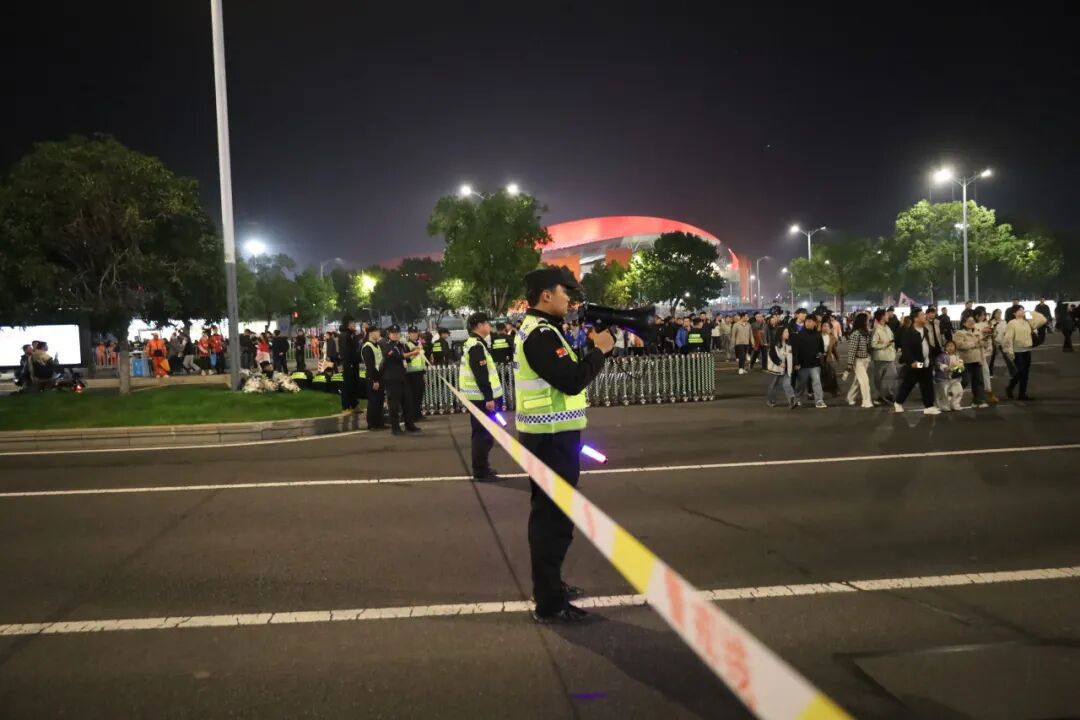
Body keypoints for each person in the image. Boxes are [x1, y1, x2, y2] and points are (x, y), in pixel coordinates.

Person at [515, 267, 612, 624]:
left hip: (552, 437)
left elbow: (564, 374)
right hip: (550, 439)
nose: (569, 299)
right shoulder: (540, 335)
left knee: (554, 518)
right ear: (546, 295)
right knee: (551, 522)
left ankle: (551, 586)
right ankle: (550, 603)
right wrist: (600, 352)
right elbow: (571, 381)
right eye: (564, 292)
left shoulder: (544, 330)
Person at [459, 312, 504, 477]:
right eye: (487, 323)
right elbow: (481, 374)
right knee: (483, 435)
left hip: (478, 397)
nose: (489, 326)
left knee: (482, 433)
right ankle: (481, 470)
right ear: (479, 326)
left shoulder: (474, 343)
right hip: (481, 398)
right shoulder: (476, 346)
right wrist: (489, 397)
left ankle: (481, 468)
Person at [893, 308, 941, 415]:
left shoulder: (925, 330)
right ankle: (898, 402)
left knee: (927, 384)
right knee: (909, 383)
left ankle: (929, 406)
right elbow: (906, 349)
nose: (925, 316)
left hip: (926, 362)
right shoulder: (908, 332)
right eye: (922, 315)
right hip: (916, 363)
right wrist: (912, 362)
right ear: (915, 318)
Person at [1002, 305, 1048, 401]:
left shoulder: (1027, 321)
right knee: (1021, 371)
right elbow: (1008, 338)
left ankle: (1022, 394)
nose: (1022, 311)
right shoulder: (1012, 323)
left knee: (1025, 373)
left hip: (1027, 350)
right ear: (1014, 313)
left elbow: (1043, 320)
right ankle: (1010, 387)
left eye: (1023, 309)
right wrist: (1010, 352)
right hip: (1017, 351)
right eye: (1019, 310)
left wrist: (1030, 312)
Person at [381, 325, 419, 435]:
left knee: (407, 401)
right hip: (392, 378)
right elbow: (398, 356)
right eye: (393, 333)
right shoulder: (388, 346)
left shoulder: (400, 345)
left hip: (402, 376)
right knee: (394, 404)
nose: (395, 335)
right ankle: (395, 427)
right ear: (389, 334)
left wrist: (415, 354)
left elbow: (406, 359)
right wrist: (413, 352)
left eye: (397, 333)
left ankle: (409, 424)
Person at [791, 315, 826, 408]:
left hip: (815, 363)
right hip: (802, 364)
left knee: (817, 382)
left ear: (815, 323)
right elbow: (795, 351)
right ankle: (796, 398)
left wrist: (820, 354)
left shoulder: (818, 335)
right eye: (806, 321)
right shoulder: (799, 335)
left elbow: (821, 349)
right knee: (801, 384)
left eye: (810, 321)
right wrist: (796, 363)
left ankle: (819, 401)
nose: (807, 323)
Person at [954, 314, 989, 408]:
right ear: (964, 323)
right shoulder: (959, 333)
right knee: (963, 381)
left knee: (978, 382)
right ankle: (952, 399)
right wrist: (975, 343)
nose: (972, 323)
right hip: (963, 361)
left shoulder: (978, 332)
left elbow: (984, 345)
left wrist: (986, 339)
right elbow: (960, 345)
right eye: (969, 321)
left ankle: (978, 401)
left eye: (973, 321)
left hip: (977, 360)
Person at [843, 313, 874, 408]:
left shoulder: (866, 332)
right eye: (867, 320)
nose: (868, 322)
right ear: (863, 321)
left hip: (866, 359)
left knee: (857, 381)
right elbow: (852, 350)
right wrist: (849, 365)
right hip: (858, 361)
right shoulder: (856, 334)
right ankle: (866, 402)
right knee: (865, 381)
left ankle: (850, 397)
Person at [870, 309, 897, 403]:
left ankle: (884, 395)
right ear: (882, 317)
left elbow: (891, 339)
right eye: (886, 315)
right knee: (881, 378)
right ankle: (883, 396)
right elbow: (873, 344)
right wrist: (885, 344)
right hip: (881, 357)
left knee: (887, 376)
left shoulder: (886, 327)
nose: (888, 316)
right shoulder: (877, 329)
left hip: (889, 356)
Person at [765, 326, 796, 408]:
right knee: (773, 385)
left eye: (788, 332)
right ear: (780, 334)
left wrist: (795, 364)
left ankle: (792, 400)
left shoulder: (790, 343)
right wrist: (779, 363)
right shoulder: (775, 344)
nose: (787, 334)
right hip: (777, 368)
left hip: (787, 368)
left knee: (787, 384)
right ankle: (771, 400)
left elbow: (793, 355)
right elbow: (772, 355)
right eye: (785, 332)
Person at [362, 325, 386, 428]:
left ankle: (379, 422)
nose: (379, 333)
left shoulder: (377, 346)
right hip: (372, 377)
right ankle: (371, 424)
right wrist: (375, 380)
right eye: (377, 332)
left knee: (380, 401)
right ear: (371, 333)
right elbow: (370, 365)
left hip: (380, 376)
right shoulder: (367, 347)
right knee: (373, 401)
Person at [403, 326, 427, 424]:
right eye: (412, 333)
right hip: (411, 373)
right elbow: (406, 359)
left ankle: (418, 413)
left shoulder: (418, 343)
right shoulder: (406, 344)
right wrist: (415, 353)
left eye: (416, 332)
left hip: (420, 372)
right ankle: (413, 415)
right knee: (413, 395)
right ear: (409, 334)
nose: (414, 334)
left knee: (419, 394)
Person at [933, 339, 965, 412]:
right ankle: (944, 406)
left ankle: (955, 404)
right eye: (948, 346)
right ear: (945, 347)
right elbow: (938, 363)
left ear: (955, 347)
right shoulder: (941, 356)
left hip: (955, 378)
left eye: (952, 346)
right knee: (944, 393)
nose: (950, 347)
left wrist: (960, 368)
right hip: (943, 378)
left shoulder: (957, 356)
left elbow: (961, 366)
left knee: (958, 391)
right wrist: (945, 367)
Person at [338, 316, 361, 415]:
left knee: (354, 385)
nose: (354, 324)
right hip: (349, 364)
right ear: (347, 324)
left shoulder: (352, 334)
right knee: (347, 385)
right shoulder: (344, 335)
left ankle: (354, 405)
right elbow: (345, 351)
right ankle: (346, 407)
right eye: (352, 323)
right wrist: (349, 363)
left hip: (354, 363)